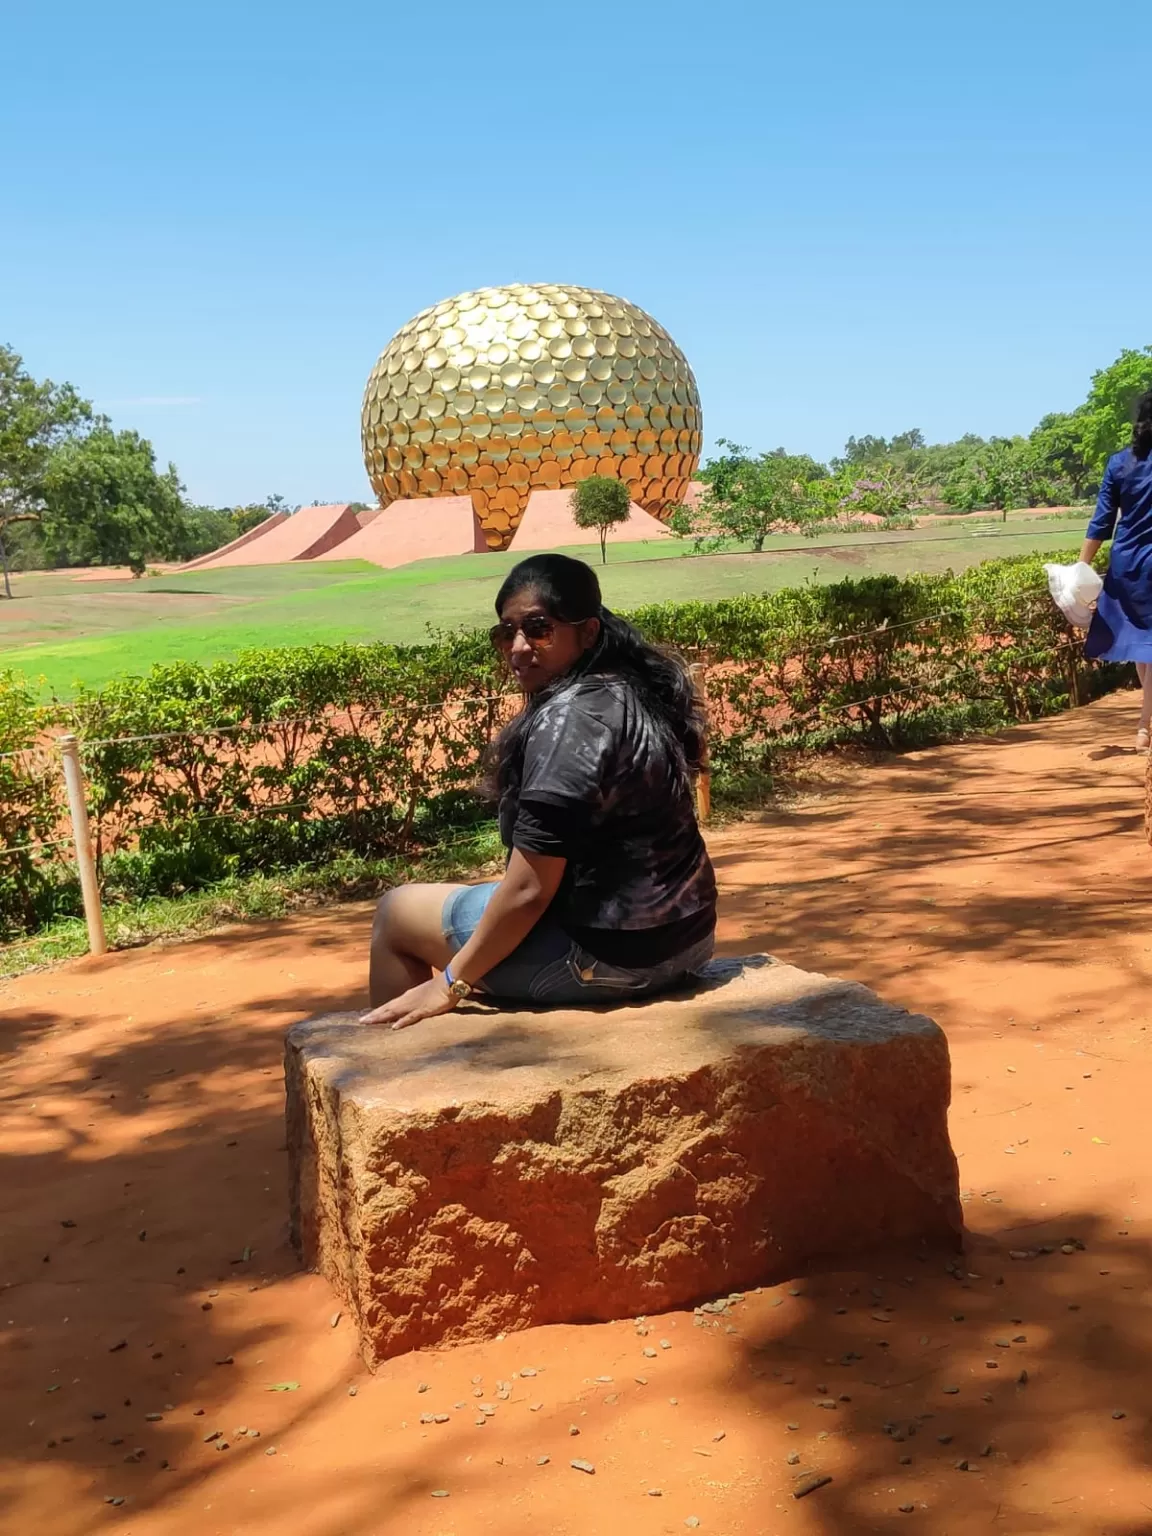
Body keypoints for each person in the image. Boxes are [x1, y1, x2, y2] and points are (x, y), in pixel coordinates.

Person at [360, 552, 717, 1029]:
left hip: (602, 960)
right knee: (475, 898)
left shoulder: (570, 717)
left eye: (539, 629)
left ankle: (394, 1077)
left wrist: (450, 983)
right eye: (506, 632)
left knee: (396, 912)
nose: (519, 647)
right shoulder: (630, 687)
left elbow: (529, 889)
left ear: (587, 632)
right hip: (687, 941)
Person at [1082, 389, 1152, 749]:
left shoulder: (1119, 463)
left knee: (1143, 645)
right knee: (1147, 645)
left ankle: (1145, 721)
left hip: (1128, 566)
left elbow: (1101, 523)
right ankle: (1144, 721)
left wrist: (1082, 566)